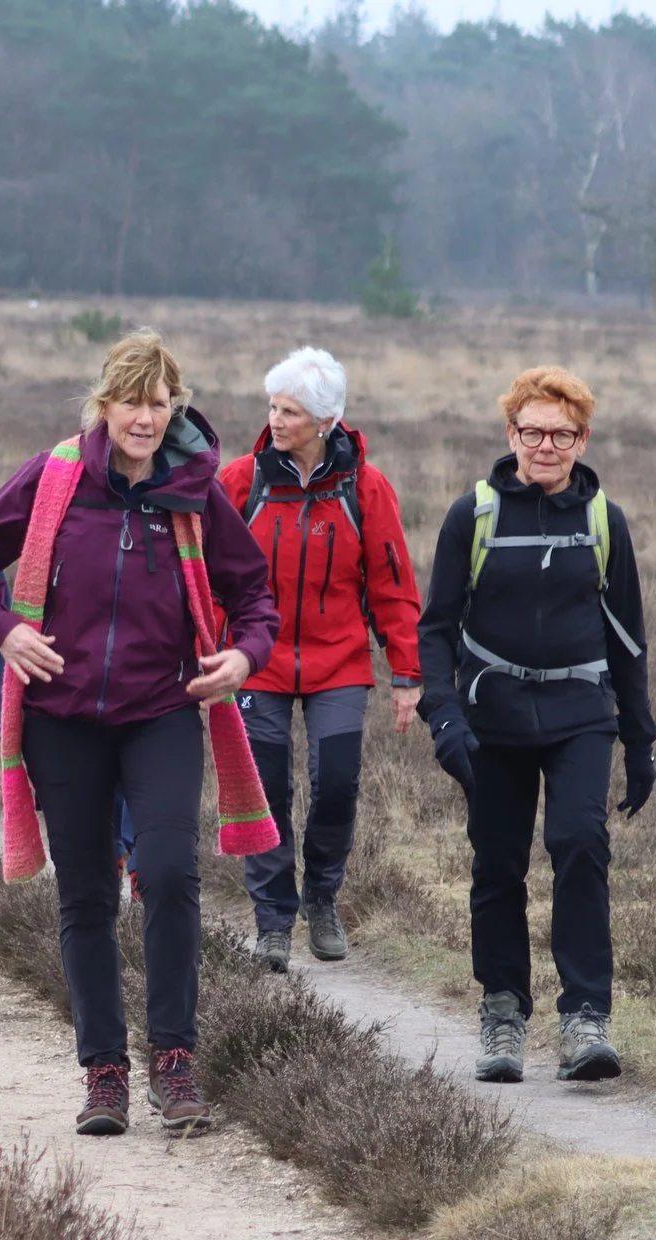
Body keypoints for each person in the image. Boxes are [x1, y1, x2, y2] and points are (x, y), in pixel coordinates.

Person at [0, 331, 278, 1137]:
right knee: (86, 891)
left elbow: (254, 591)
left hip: (162, 710)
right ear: (105, 403)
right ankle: (104, 1072)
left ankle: (174, 1058)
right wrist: (4, 630)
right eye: (132, 401)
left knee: (167, 871)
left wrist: (242, 654)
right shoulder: (57, 476)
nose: (146, 418)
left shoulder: (195, 490)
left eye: (161, 404)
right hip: (62, 718)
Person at [417, 365, 656, 1085]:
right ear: (509, 433)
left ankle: (586, 1017)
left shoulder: (603, 523)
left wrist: (640, 740)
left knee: (579, 841)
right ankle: (502, 1009)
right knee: (497, 863)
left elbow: (630, 640)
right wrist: (445, 716)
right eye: (531, 431)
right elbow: (435, 630)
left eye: (560, 433)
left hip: (581, 713)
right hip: (491, 720)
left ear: (582, 439)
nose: (544, 445)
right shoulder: (475, 517)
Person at [217, 347, 423, 973]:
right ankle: (273, 921)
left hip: (340, 662)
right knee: (266, 790)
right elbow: (204, 574)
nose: (276, 420)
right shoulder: (239, 481)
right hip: (258, 661)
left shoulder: (365, 487)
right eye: (273, 407)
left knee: (336, 783)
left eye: (292, 411)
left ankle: (323, 897)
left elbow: (393, 583)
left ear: (327, 420)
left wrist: (407, 675)